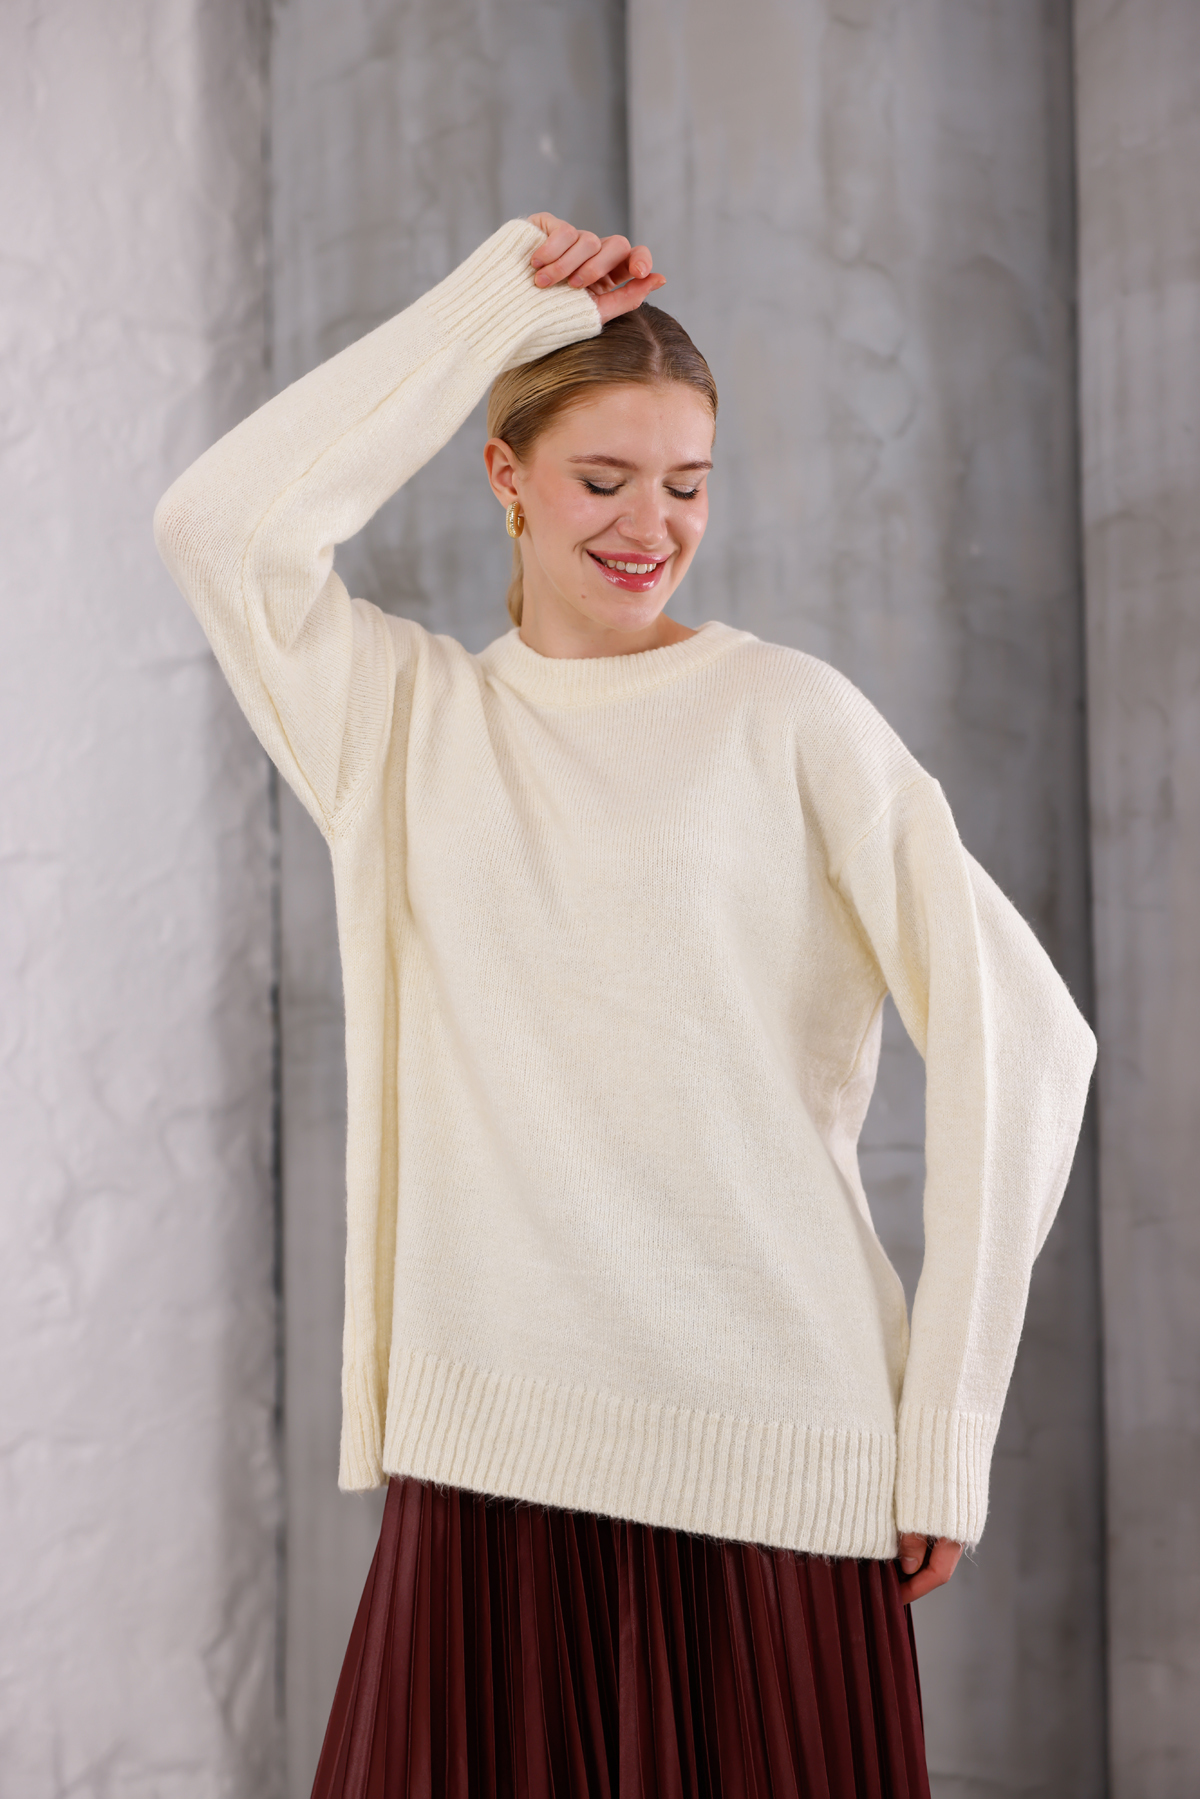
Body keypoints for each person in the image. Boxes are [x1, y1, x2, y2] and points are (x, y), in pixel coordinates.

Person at [154, 214, 1096, 1799]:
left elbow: (1029, 1040)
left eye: (688, 483)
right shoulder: (405, 725)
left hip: (774, 1464)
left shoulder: (791, 718)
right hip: (491, 1462)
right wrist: (491, 307)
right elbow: (219, 526)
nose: (651, 525)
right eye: (603, 478)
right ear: (506, 476)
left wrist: (945, 1426)